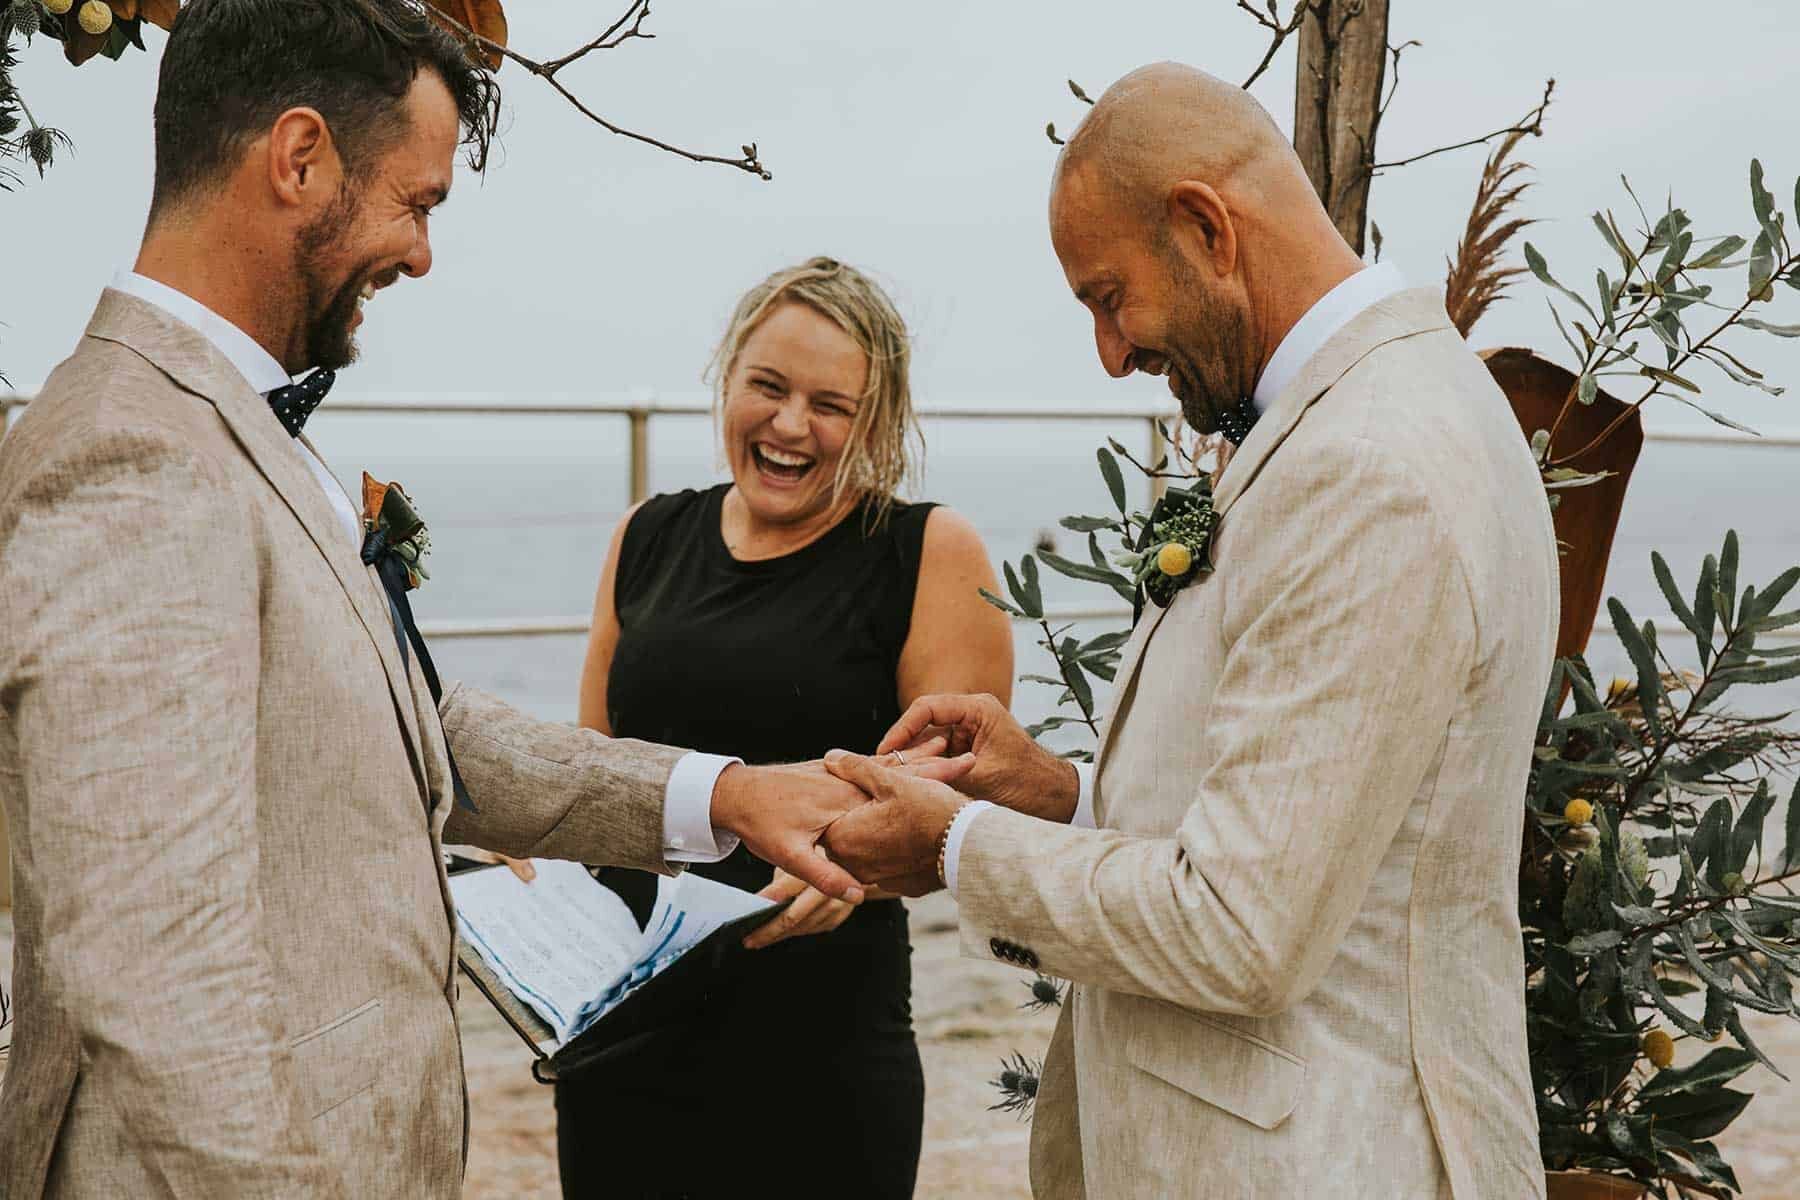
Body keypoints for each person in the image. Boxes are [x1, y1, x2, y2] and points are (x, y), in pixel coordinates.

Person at [0, 5, 919, 1195]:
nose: (423, 253)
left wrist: (728, 795)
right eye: (417, 201)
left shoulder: (225, 424)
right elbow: (157, 969)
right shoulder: (131, 457)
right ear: (298, 158)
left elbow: (410, 733)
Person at [822, 63, 1559, 1199]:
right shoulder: (1374, 411)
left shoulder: (1367, 465)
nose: (1113, 354)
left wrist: (954, 846)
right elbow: (1311, 834)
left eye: (1109, 298)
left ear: (1207, 228)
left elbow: (1242, 932)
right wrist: (1060, 799)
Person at [544, 258, 1013, 1199]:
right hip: (623, 1026)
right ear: (727, 380)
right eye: (768, 386)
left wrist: (865, 862)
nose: (792, 425)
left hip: (819, 1042)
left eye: (832, 404)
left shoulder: (929, 551)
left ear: (876, 421)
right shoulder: (645, 536)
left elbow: (952, 805)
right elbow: (588, 772)